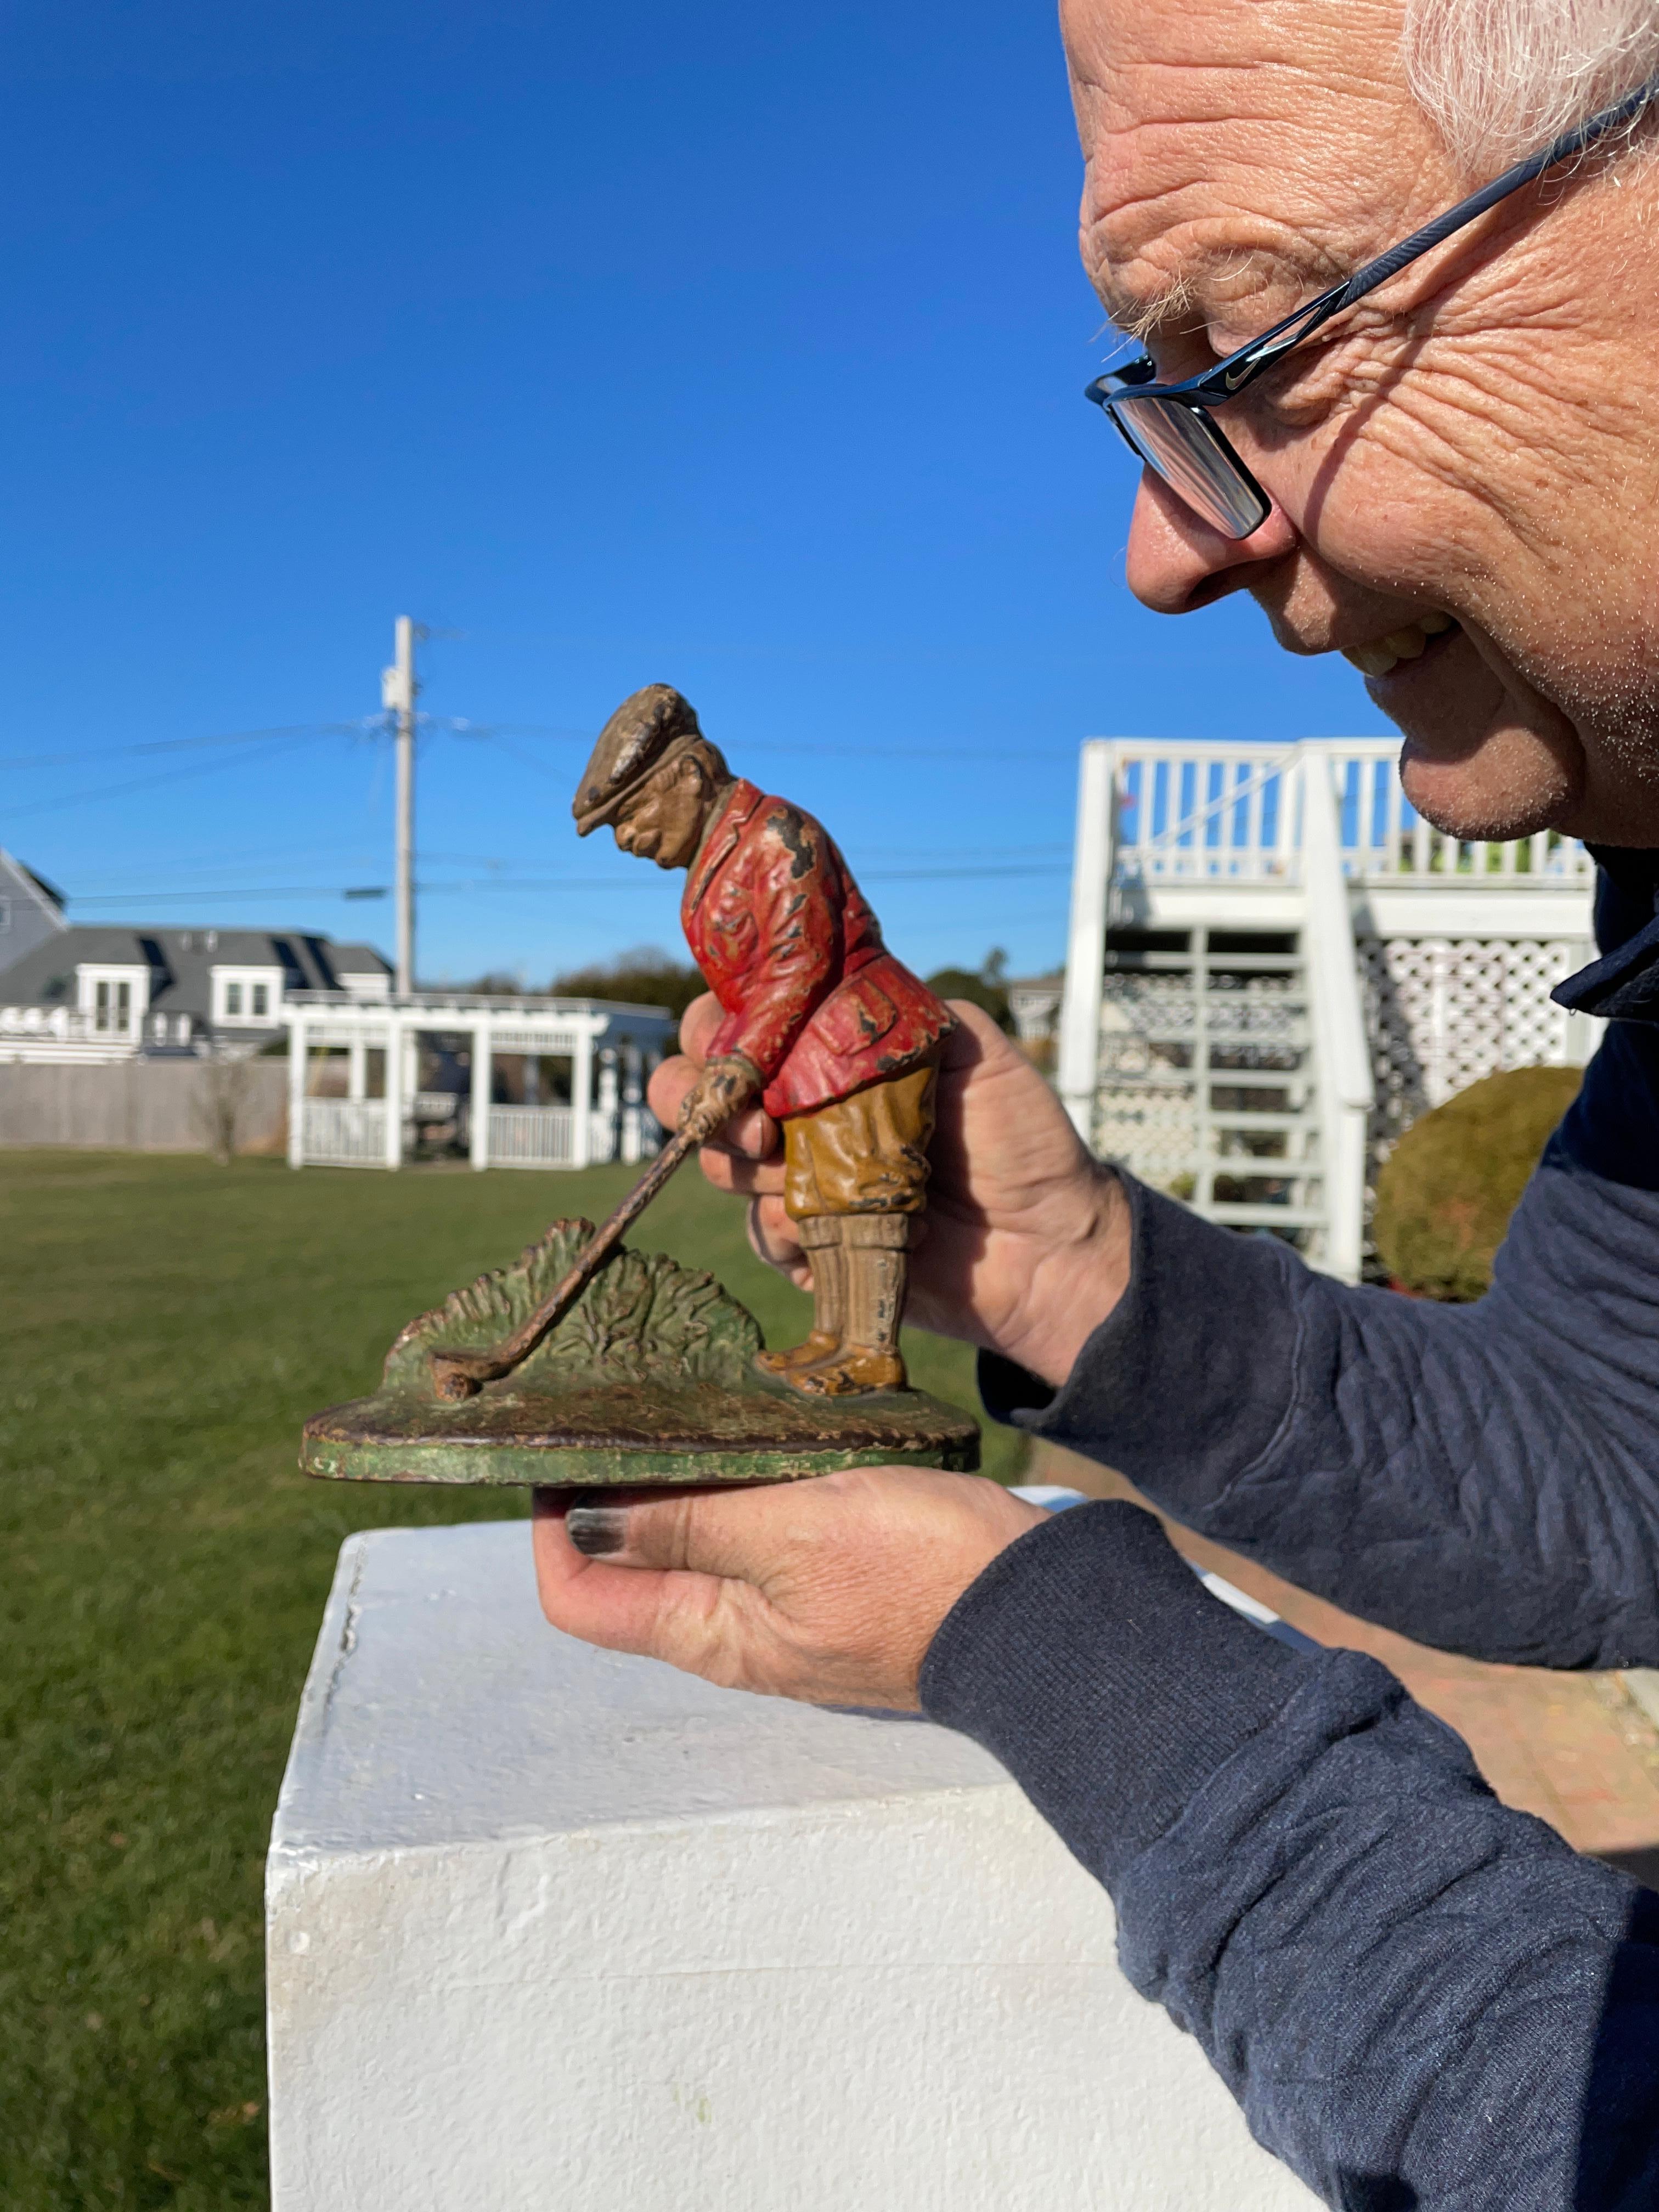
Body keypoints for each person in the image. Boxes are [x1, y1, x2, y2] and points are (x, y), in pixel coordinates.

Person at [536, 2, 1659, 2202]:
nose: (1165, 550)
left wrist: (1038, 1639)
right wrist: (1087, 1282)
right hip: (856, 1092)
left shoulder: (761, 848)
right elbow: (1625, 1470)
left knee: (850, 1274)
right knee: (875, 1278)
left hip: (842, 1073)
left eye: (1256, 346)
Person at [573, 682, 955, 1393]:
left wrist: (735, 1066)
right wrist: (728, 1063)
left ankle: (872, 1350)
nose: (626, 840)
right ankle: (835, 1338)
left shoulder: (778, 835)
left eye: (630, 815)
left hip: (864, 1042)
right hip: (811, 1062)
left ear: (688, 775)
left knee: (866, 1194)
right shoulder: (711, 864)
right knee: (819, 1198)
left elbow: (797, 956)